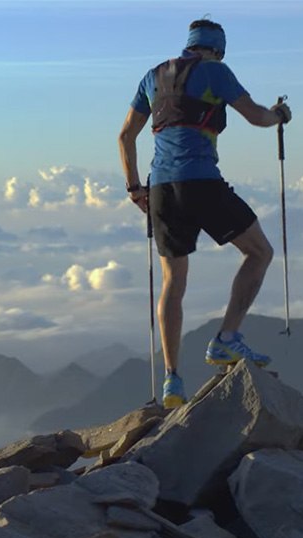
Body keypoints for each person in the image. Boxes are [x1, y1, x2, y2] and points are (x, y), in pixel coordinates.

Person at [117, 18, 291, 409]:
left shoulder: (152, 77)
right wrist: (280, 115)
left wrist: (134, 188)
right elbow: (256, 116)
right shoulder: (215, 72)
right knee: (259, 252)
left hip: (161, 190)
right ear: (217, 49)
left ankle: (172, 380)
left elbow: (126, 136)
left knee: (172, 281)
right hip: (202, 182)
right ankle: (226, 339)